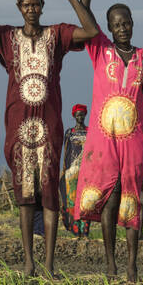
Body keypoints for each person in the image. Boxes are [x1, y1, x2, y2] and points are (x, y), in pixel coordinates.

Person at [0, 0, 101, 278]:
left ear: (42, 5)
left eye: (36, 3)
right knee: (25, 196)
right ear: (19, 8)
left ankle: (49, 265)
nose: (31, 8)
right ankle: (28, 263)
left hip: (49, 127)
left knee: (49, 194)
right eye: (26, 4)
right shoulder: (6, 37)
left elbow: (90, 31)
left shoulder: (57, 34)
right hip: (18, 127)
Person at [73, 0, 143, 281]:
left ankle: (132, 266)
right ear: (109, 29)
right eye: (116, 25)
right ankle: (110, 264)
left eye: (127, 23)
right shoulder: (100, 50)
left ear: (132, 24)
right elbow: (84, 13)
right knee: (110, 201)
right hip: (103, 139)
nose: (123, 28)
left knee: (132, 202)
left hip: (137, 139)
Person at [61, 103, 91, 240]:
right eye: (78, 115)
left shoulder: (90, 131)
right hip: (71, 171)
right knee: (72, 200)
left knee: (85, 200)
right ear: (74, 116)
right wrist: (64, 170)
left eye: (82, 115)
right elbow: (66, 152)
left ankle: (84, 231)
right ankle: (75, 230)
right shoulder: (69, 132)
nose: (80, 117)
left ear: (85, 115)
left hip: (87, 170)